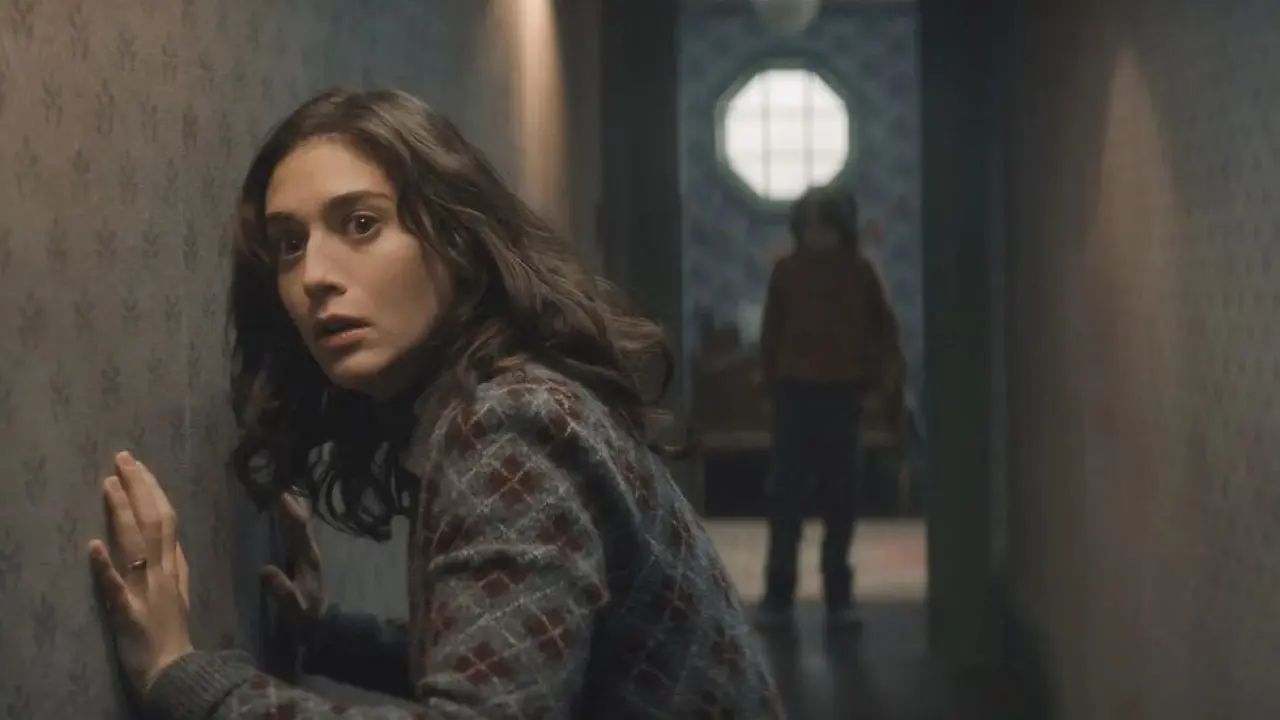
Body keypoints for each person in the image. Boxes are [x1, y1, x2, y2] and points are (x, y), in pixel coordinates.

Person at [87, 88, 783, 719]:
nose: (314, 275)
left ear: (457, 240)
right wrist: (325, 636)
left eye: (361, 224)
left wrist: (184, 675)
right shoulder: (505, 398)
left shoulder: (510, 424)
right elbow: (525, 659)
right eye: (290, 244)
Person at [755, 184, 905, 630]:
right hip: (794, 390)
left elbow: (882, 332)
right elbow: (771, 331)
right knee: (785, 495)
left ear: (841, 229)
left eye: (824, 227)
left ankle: (838, 593)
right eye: (810, 227)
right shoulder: (787, 272)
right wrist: (769, 383)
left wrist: (882, 386)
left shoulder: (858, 273)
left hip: (842, 391)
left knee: (841, 496)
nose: (817, 236)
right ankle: (779, 592)